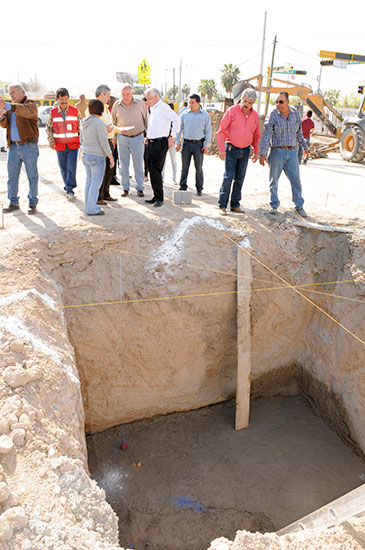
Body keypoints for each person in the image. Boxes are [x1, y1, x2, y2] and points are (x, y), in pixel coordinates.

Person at [259, 91, 308, 218]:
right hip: (277, 152)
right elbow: (267, 135)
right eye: (276, 102)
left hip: (292, 152)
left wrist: (305, 147)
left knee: (296, 180)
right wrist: (262, 153)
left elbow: (299, 133)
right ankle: (274, 205)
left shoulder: (295, 114)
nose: (278, 104)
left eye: (281, 102)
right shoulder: (273, 115)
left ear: (287, 102)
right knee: (274, 180)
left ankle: (299, 206)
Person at [216, 88, 260, 215]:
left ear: (253, 104)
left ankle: (235, 205)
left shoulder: (255, 116)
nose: (247, 104)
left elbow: (256, 135)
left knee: (240, 179)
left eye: (250, 103)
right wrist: (221, 149)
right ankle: (222, 205)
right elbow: (221, 131)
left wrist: (256, 151)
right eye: (245, 101)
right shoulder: (232, 111)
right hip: (231, 149)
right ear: (241, 99)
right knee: (228, 177)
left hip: (245, 151)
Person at [0, 83, 39, 214]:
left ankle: (32, 203)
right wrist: (1, 115)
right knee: (12, 177)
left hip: (29, 146)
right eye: (9, 93)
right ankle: (13, 203)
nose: (11, 95)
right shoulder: (10, 107)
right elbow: (5, 125)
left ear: (21, 91)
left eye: (13, 93)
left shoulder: (30, 104)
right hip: (13, 147)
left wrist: (7, 106)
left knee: (32, 176)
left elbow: (24, 110)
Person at [144, 88, 180, 207]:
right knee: (151, 170)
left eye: (149, 98)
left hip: (160, 142)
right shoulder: (152, 108)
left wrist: (172, 136)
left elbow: (176, 119)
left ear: (156, 97)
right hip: (152, 142)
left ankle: (160, 198)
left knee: (156, 170)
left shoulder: (163, 107)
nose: (147, 100)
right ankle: (156, 195)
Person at [112, 84, 149, 197]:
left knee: (138, 164)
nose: (125, 97)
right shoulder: (116, 105)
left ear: (132, 93)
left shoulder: (140, 104)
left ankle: (140, 188)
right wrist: (114, 138)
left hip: (137, 137)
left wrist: (148, 135)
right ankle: (125, 188)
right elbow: (113, 123)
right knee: (123, 165)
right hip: (122, 138)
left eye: (127, 94)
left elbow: (146, 119)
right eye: (123, 94)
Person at [80, 99, 114, 216]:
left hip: (86, 154)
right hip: (97, 156)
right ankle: (92, 208)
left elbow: (81, 139)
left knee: (89, 182)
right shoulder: (99, 123)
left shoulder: (83, 122)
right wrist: (111, 157)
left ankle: (88, 206)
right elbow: (104, 142)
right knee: (96, 183)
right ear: (101, 110)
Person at [46, 87, 81, 200]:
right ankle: (68, 185)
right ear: (57, 99)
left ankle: (69, 189)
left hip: (73, 145)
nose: (64, 102)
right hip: (59, 145)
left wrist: (82, 140)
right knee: (63, 168)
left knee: (71, 167)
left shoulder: (75, 111)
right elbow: (49, 128)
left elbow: (81, 127)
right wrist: (51, 140)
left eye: (66, 99)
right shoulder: (53, 113)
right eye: (62, 99)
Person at [176, 94, 211, 195]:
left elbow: (208, 131)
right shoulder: (184, 114)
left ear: (198, 103)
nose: (190, 105)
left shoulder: (205, 115)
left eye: (193, 103)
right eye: (189, 102)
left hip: (198, 145)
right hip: (186, 144)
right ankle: (183, 186)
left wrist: (206, 145)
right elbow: (179, 129)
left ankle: (199, 188)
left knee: (199, 168)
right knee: (184, 167)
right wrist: (177, 142)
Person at [88, 84, 117, 204]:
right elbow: (94, 125)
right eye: (108, 96)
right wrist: (107, 129)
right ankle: (98, 196)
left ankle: (105, 193)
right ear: (102, 94)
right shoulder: (92, 108)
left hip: (109, 141)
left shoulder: (105, 108)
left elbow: (110, 125)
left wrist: (115, 134)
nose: (109, 98)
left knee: (109, 170)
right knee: (101, 171)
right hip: (100, 143)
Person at [162, 102, 178, 184]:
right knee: (163, 161)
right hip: (164, 142)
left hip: (172, 142)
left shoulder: (174, 119)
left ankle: (174, 178)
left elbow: (177, 130)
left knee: (173, 160)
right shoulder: (163, 119)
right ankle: (162, 177)